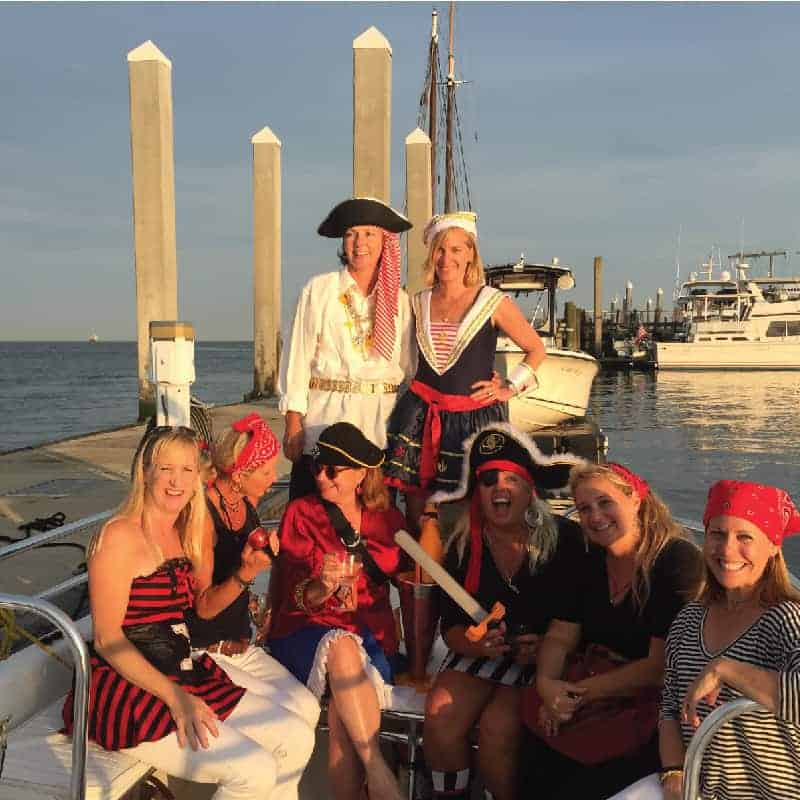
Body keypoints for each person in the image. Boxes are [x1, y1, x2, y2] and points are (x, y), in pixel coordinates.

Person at [62, 426, 314, 800]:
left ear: (198, 476)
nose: (176, 481)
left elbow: (204, 607)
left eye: (186, 469)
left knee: (295, 736)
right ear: (145, 471)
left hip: (182, 670)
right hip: (127, 690)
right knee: (254, 770)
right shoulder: (119, 536)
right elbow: (107, 639)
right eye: (166, 469)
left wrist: (247, 571)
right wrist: (176, 698)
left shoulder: (186, 531)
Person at [422, 423, 588, 800]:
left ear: (531, 489)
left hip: (549, 660)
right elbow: (449, 626)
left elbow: (583, 618)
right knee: (439, 714)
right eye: (488, 480)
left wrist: (545, 645)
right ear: (476, 493)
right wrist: (475, 644)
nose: (500, 488)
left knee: (498, 728)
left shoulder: (567, 542)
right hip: (483, 654)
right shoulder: (463, 548)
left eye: (512, 479)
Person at [609, 480, 800, 800]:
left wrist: (726, 669)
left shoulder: (785, 620)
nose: (726, 550)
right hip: (699, 788)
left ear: (773, 546)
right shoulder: (687, 621)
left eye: (745, 537)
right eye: (717, 534)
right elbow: (669, 708)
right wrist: (673, 773)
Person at [521, 462, 702, 799]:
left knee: (585, 779)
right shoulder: (587, 558)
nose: (595, 516)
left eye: (605, 502)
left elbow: (659, 666)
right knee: (532, 751)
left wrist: (573, 695)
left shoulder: (676, 560)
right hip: (591, 684)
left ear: (635, 498)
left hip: (647, 701)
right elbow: (561, 634)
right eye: (585, 509)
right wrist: (548, 686)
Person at [268, 422, 407, 800]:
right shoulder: (302, 512)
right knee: (342, 646)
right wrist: (322, 586)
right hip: (305, 629)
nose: (322, 477)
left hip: (372, 633)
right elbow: (293, 597)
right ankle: (379, 774)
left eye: (333, 470)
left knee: (343, 717)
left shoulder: (387, 520)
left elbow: (411, 584)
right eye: (318, 467)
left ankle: (372, 780)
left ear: (362, 474)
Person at [384, 211, 546, 529]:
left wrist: (509, 387)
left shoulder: (492, 301)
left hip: (474, 419)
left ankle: (468, 573)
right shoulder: (417, 302)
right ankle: (423, 574)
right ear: (432, 254)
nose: (447, 258)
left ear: (471, 253)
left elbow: (535, 349)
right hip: (420, 416)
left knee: (477, 507)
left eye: (457, 249)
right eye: (440, 250)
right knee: (418, 507)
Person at [186, 412, 320, 732]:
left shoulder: (244, 506)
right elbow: (203, 608)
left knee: (309, 707)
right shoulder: (203, 518)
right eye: (266, 470)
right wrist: (246, 573)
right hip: (206, 651)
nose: (274, 478)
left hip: (241, 646)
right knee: (286, 719)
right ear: (240, 473)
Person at [278, 196, 415, 500]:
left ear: (385, 241)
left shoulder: (400, 302)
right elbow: (296, 358)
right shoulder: (320, 290)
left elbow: (411, 369)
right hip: (324, 422)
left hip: (378, 428)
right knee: (313, 516)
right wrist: (292, 422)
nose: (359, 242)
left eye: (369, 233)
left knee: (373, 519)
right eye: (352, 233)